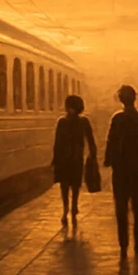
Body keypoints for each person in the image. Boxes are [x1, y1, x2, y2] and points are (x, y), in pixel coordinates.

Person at [105, 84, 138, 261]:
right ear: (135, 98)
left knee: (121, 210)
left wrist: (109, 161)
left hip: (120, 173)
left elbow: (110, 145)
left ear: (121, 99)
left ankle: (123, 245)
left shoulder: (117, 119)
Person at [51, 93, 97, 227]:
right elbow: (90, 139)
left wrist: (55, 158)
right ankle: (69, 209)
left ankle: (71, 207)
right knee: (71, 185)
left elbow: (57, 142)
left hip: (70, 158)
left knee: (68, 185)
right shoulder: (83, 121)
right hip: (73, 158)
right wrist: (92, 153)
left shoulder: (63, 121)